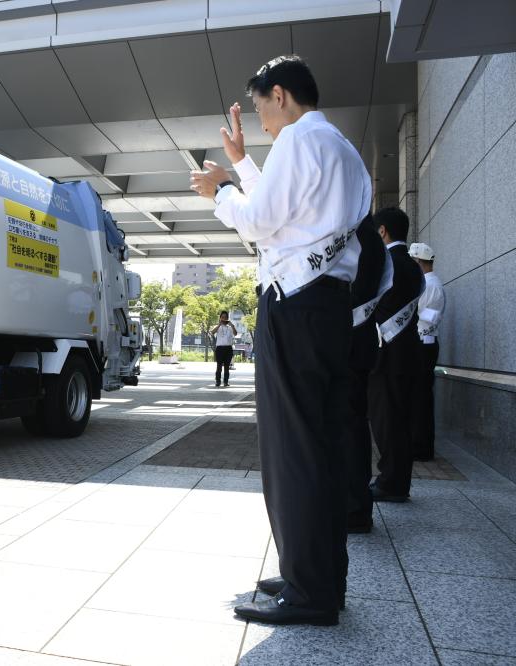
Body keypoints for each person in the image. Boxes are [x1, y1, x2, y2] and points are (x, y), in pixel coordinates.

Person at [190, 54, 371, 626]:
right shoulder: (343, 149)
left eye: (263, 108)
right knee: (320, 443)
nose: (264, 124)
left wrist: (219, 191)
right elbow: (294, 218)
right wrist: (243, 164)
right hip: (327, 306)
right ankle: (315, 573)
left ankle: (308, 590)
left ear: (282, 95)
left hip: (292, 307)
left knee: (292, 449)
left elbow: (261, 222)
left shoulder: (297, 139)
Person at [368, 208, 424, 502]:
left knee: (386, 421)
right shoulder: (414, 266)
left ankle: (391, 484)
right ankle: (397, 481)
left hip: (386, 355)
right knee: (401, 420)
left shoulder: (385, 262)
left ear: (382, 231)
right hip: (409, 352)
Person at [345, 221, 393, 534]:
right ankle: (357, 507)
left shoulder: (347, 237)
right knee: (356, 428)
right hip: (362, 346)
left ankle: (350, 509)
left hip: (343, 347)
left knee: (343, 431)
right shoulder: (374, 244)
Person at [408, 242, 444, 461]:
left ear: (418, 262)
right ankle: (419, 445)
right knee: (419, 396)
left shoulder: (430, 285)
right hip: (423, 344)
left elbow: (425, 316)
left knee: (421, 397)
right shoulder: (428, 283)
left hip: (424, 344)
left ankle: (421, 448)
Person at [211, 310, 237, 387]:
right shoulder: (217, 326)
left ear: (228, 318)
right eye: (222, 317)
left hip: (228, 348)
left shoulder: (230, 327)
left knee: (227, 366)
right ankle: (218, 381)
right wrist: (219, 324)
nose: (224, 319)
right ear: (220, 318)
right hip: (219, 348)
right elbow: (212, 332)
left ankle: (226, 382)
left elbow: (235, 334)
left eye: (225, 317)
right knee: (219, 366)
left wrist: (232, 325)